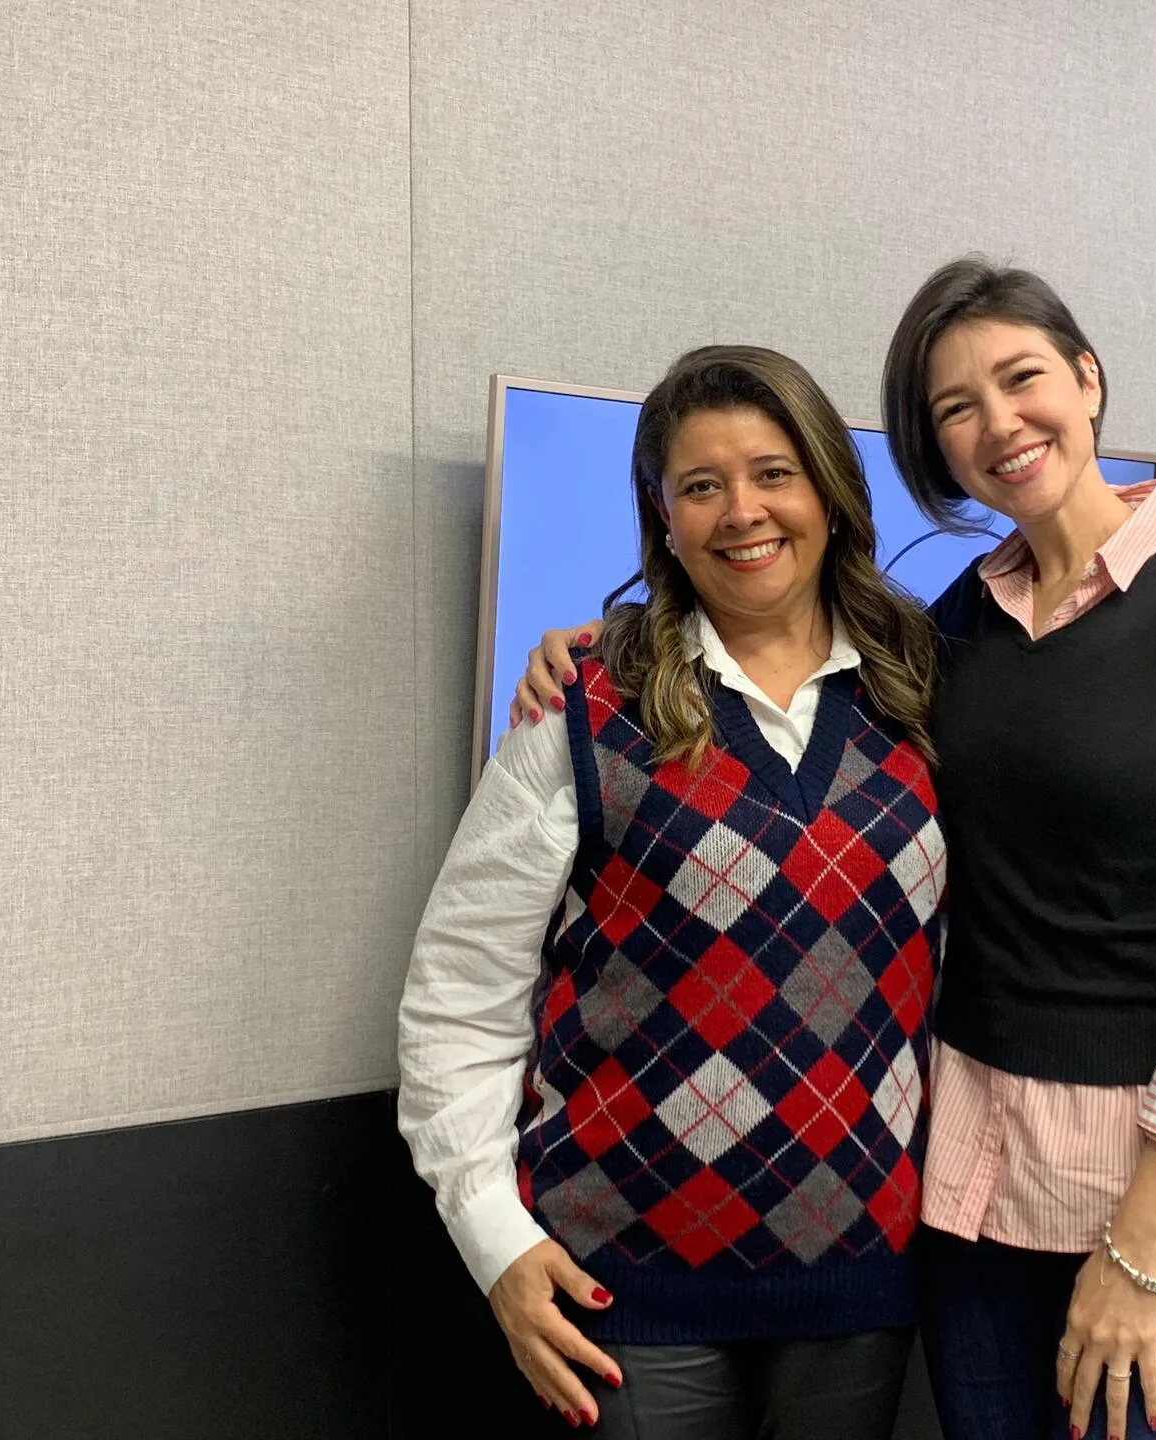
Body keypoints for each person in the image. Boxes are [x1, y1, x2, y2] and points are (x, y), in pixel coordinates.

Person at [511, 259, 1156, 1440]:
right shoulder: (951, 626)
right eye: (954, 408)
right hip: (972, 1179)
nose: (998, 424)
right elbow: (784, 636)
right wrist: (616, 636)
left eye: (1022, 379)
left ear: (1088, 381)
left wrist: (1147, 1240)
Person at [399, 345, 948, 1440]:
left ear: (830, 494)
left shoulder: (922, 689)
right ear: (663, 518)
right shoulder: (587, 706)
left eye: (773, 473)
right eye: (701, 486)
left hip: (861, 1285)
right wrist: (495, 1246)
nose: (742, 511)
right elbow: (459, 997)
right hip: (622, 1295)